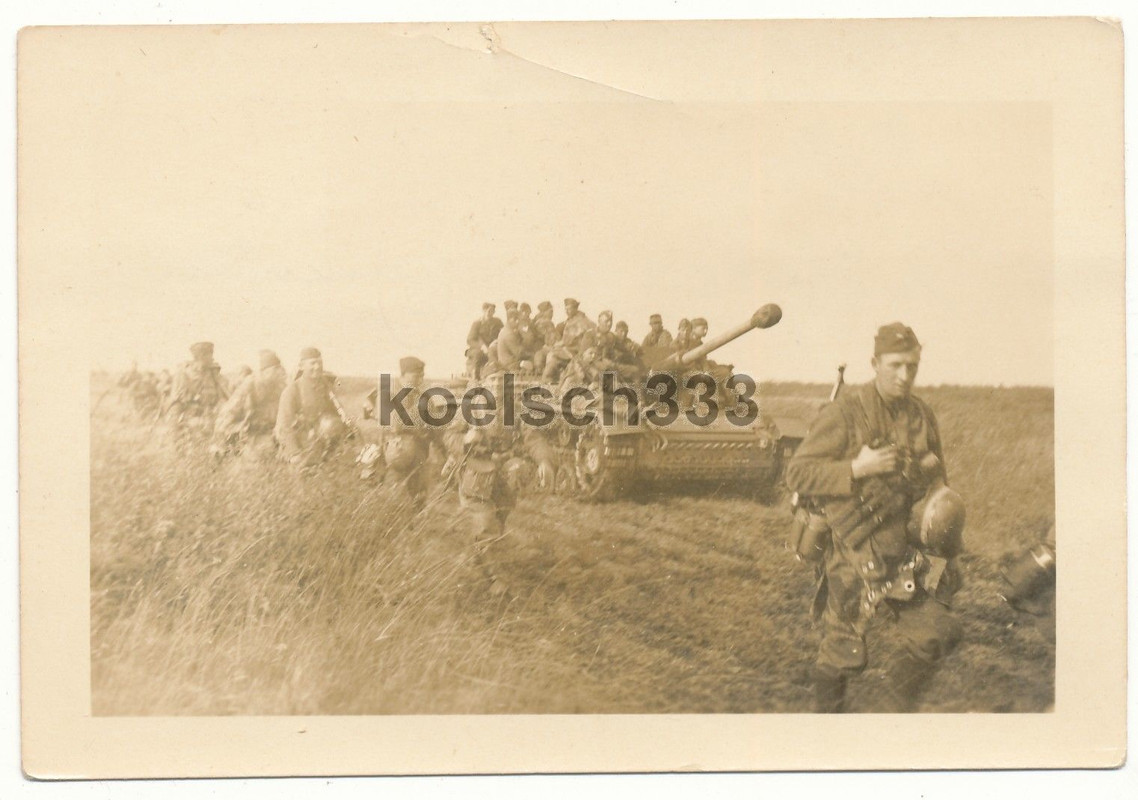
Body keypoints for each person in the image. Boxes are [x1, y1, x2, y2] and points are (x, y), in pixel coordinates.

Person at [784, 323, 963, 713]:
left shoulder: (922, 415)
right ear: (875, 363)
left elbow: (939, 483)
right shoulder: (845, 412)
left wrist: (947, 553)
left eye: (912, 366)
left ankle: (891, 717)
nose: (905, 375)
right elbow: (796, 474)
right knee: (842, 652)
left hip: (904, 550)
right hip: (852, 550)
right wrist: (856, 469)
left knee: (937, 633)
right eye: (895, 365)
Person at [380, 356, 440, 507]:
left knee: (419, 497)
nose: (420, 379)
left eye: (422, 376)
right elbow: (394, 423)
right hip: (397, 454)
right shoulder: (389, 391)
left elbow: (434, 424)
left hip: (419, 454)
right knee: (396, 499)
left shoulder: (420, 394)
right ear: (404, 374)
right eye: (416, 375)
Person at [274, 347, 347, 469]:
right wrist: (294, 452)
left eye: (319, 363)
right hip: (299, 443)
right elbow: (284, 426)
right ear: (302, 366)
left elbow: (337, 414)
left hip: (320, 441)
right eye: (312, 363)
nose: (317, 367)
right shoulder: (292, 390)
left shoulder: (325, 387)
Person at [212, 349, 288, 460]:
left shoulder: (280, 386)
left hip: (274, 435)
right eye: (275, 369)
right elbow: (228, 413)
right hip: (252, 437)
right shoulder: (250, 385)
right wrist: (220, 443)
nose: (280, 372)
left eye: (279, 369)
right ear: (265, 371)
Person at [166, 341, 228, 446]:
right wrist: (175, 434)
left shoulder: (214, 375)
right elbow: (175, 405)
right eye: (209, 355)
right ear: (200, 356)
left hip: (212, 423)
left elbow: (223, 399)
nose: (212, 358)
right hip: (190, 425)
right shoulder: (184, 375)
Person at [540, 298, 597, 382]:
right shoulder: (572, 320)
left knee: (552, 355)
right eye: (566, 309)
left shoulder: (581, 321)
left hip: (575, 351)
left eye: (569, 309)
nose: (567, 311)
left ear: (575, 308)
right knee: (549, 352)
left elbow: (568, 340)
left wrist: (557, 345)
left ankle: (547, 379)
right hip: (570, 348)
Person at [465, 303, 504, 379]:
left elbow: (503, 333)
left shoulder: (497, 322)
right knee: (478, 354)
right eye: (488, 311)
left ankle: (503, 378)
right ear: (483, 311)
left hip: (493, 347)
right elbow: (470, 340)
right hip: (479, 349)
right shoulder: (477, 323)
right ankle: (476, 377)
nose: (490, 313)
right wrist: (482, 346)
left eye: (492, 311)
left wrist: (496, 342)